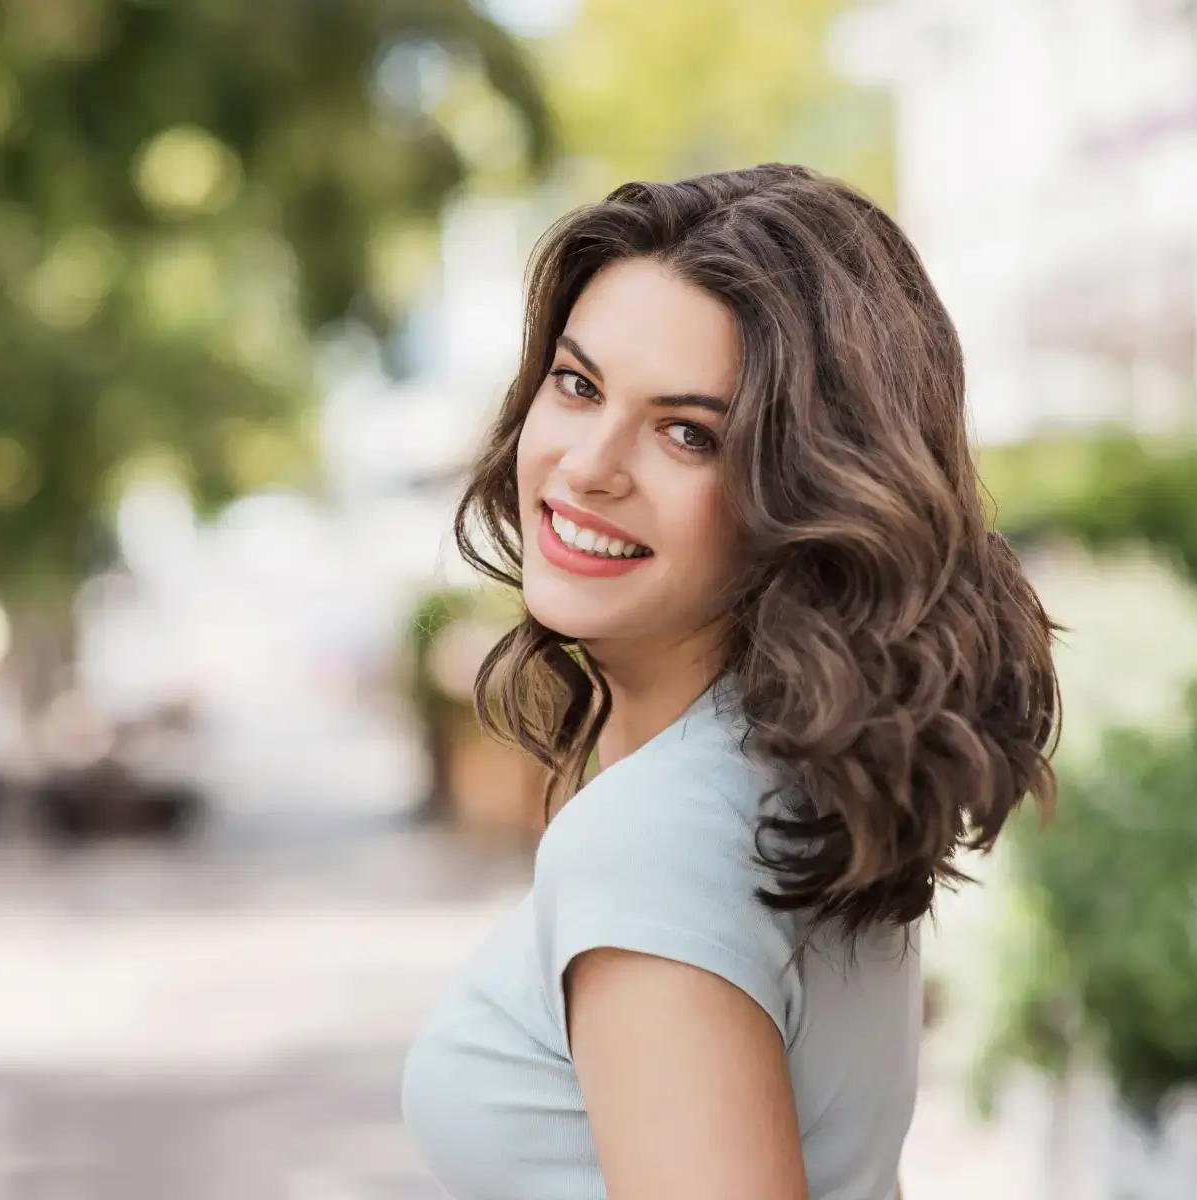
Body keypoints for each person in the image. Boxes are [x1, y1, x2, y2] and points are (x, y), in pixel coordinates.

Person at [401, 164, 1060, 1200]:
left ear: (801, 494)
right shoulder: (792, 781)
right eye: (577, 385)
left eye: (688, 433)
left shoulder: (656, 840)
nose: (588, 466)